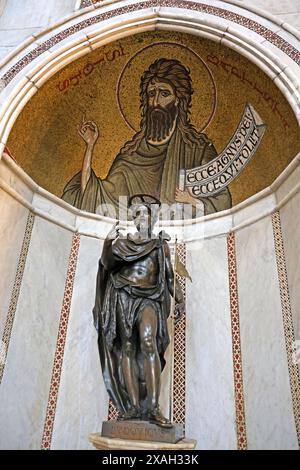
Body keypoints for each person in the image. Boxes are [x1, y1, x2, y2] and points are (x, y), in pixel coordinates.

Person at [62, 58, 232, 217]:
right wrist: (90, 146)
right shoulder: (131, 154)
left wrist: (191, 200)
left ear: (178, 100)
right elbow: (97, 197)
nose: (156, 102)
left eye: (164, 94)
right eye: (151, 94)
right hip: (135, 237)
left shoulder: (198, 149)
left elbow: (221, 204)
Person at [92, 195, 184, 427]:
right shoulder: (123, 243)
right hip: (123, 296)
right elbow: (108, 263)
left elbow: (169, 276)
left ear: (152, 218)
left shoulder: (159, 244)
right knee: (128, 347)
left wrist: (179, 297)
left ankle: (153, 407)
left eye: (146, 213)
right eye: (138, 214)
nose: (143, 217)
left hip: (149, 298)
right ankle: (133, 407)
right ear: (134, 219)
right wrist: (107, 241)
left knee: (148, 341)